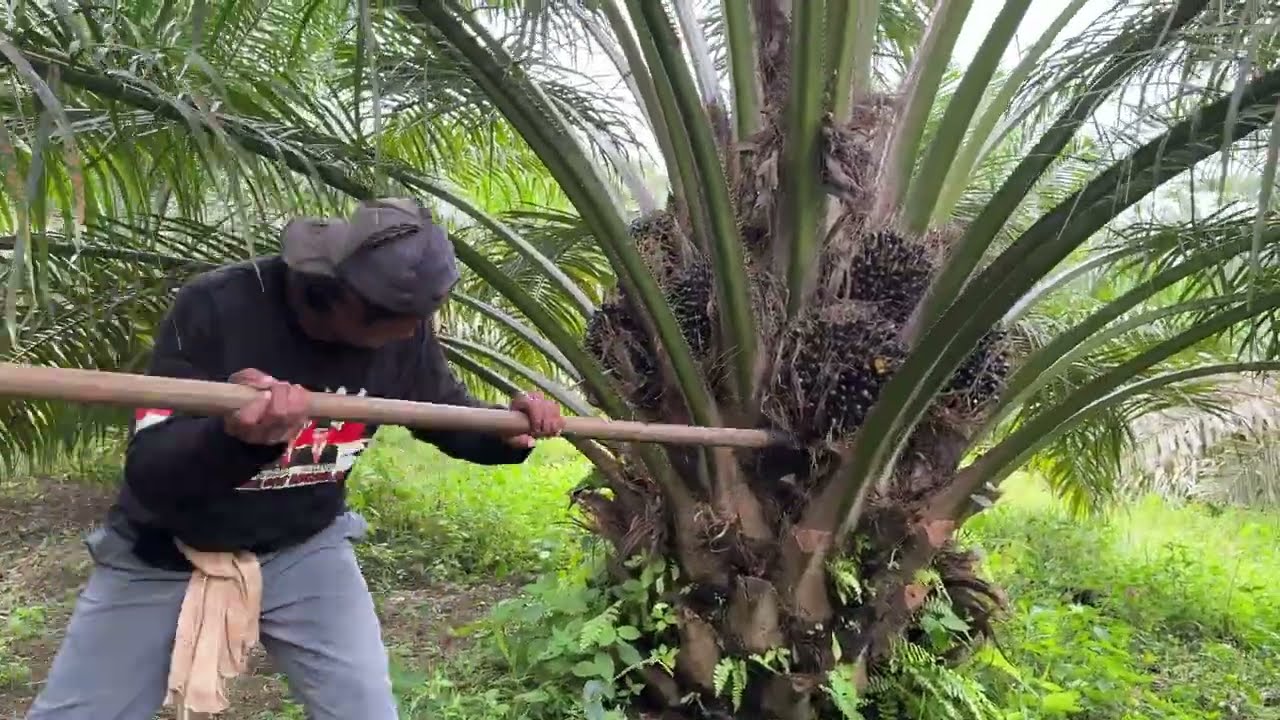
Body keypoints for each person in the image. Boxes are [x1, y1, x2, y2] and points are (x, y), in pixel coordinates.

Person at [27, 198, 565, 720]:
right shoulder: (218, 307)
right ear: (343, 297)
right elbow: (152, 470)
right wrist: (237, 439)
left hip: (304, 547)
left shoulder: (404, 331)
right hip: (164, 550)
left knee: (364, 711)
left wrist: (505, 432)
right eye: (405, 320)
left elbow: (439, 409)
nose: (416, 330)